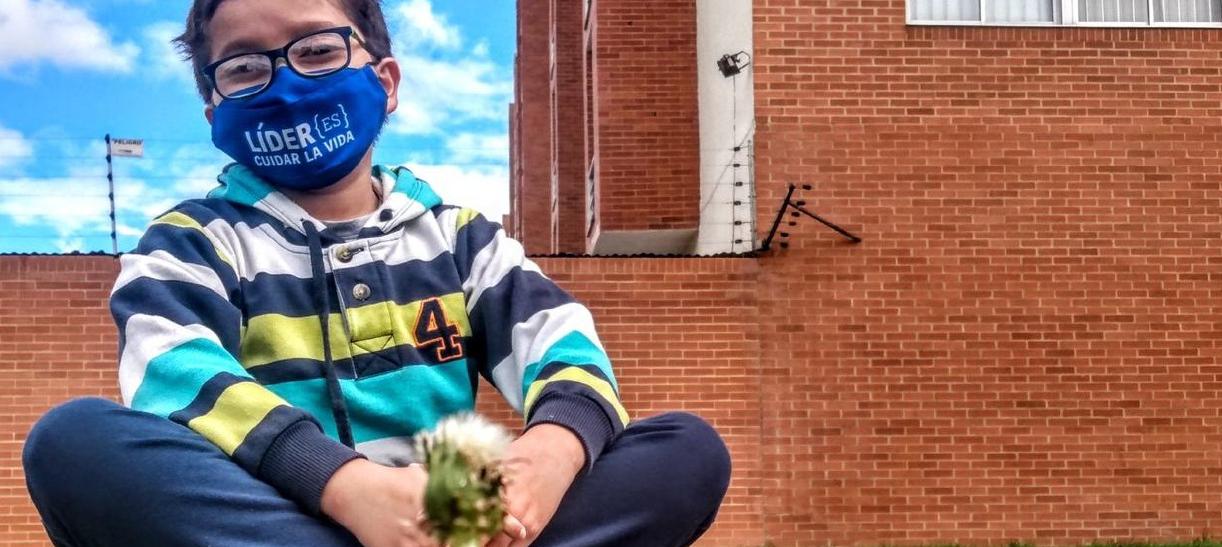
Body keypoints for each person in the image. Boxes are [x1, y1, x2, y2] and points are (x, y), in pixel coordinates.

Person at [21, 0, 730, 546]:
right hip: (282, 515)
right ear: (214, 111)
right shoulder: (191, 241)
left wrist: (544, 460)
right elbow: (172, 374)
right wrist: (346, 486)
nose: (285, 82)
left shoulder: (460, 238)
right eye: (244, 68)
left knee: (685, 451)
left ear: (384, 82)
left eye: (317, 50)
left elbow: (562, 343)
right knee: (74, 444)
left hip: (451, 518)